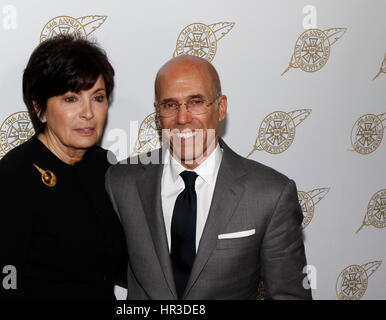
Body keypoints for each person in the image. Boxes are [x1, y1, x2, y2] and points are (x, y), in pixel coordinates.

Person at [105, 55, 312, 300]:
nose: (183, 118)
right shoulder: (121, 182)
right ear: (157, 113)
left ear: (221, 107)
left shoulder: (270, 194)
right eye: (170, 105)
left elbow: (289, 295)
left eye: (196, 102)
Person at [0, 34, 126, 299]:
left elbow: (121, 265)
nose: (88, 112)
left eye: (98, 97)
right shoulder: (13, 179)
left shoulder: (105, 166)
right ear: (39, 108)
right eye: (71, 99)